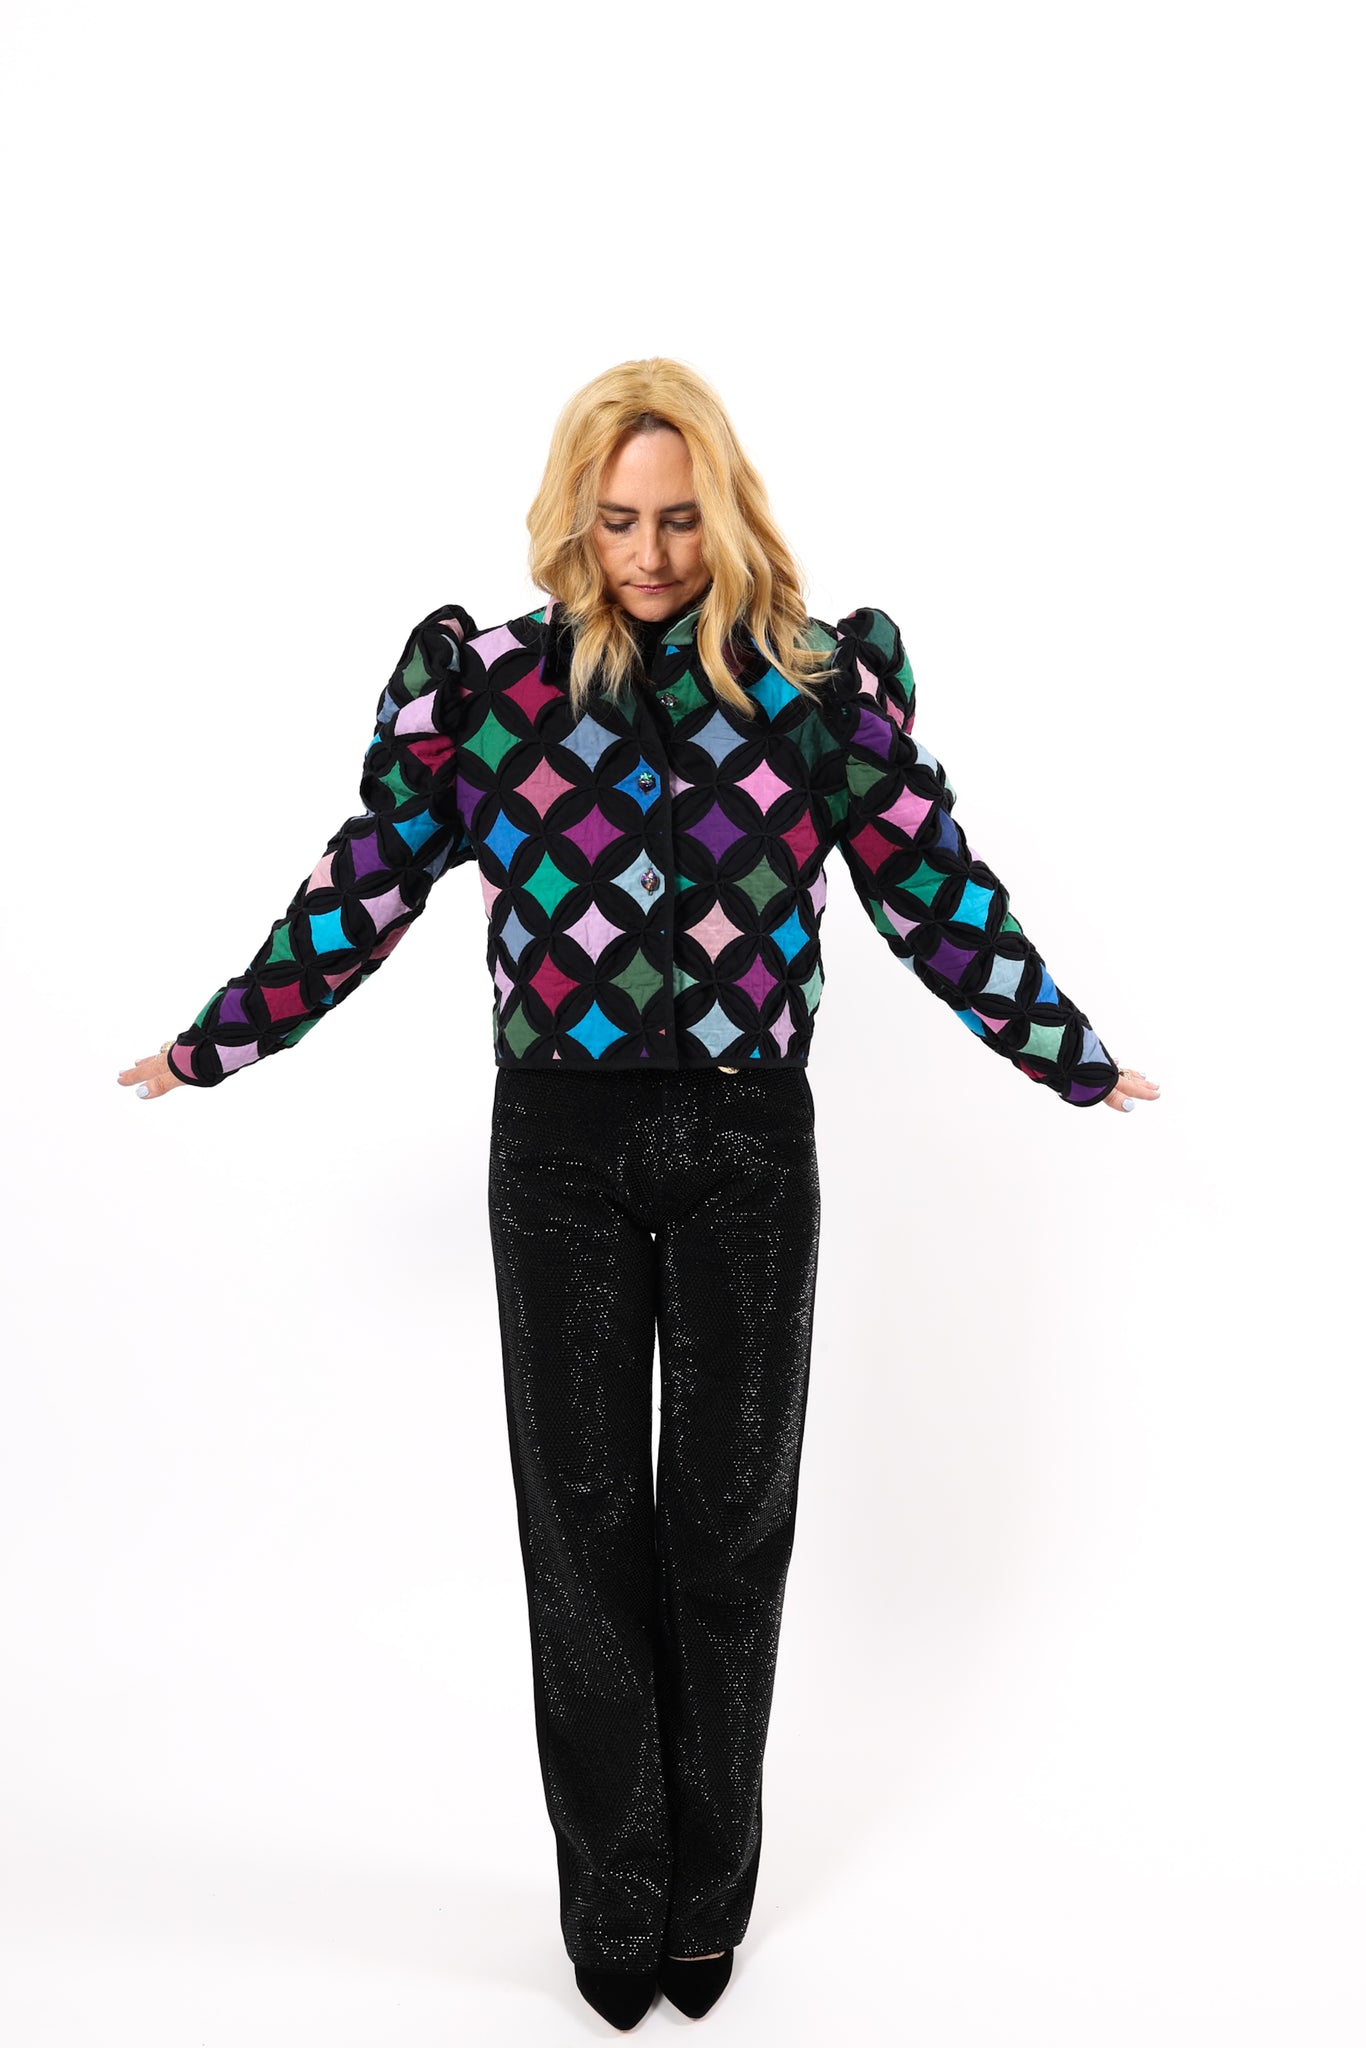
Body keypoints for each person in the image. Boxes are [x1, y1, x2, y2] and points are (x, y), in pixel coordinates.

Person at [118, 357, 1160, 2030]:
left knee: (729, 1535)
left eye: (680, 520)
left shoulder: (815, 688)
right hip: (558, 1151)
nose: (652, 555)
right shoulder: (490, 691)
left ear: (726, 514)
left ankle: (705, 1902)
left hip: (749, 1150)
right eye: (617, 522)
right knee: (582, 1530)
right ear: (573, 522)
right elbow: (365, 879)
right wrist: (219, 1039)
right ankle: (612, 1899)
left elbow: (929, 883)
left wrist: (1065, 1052)